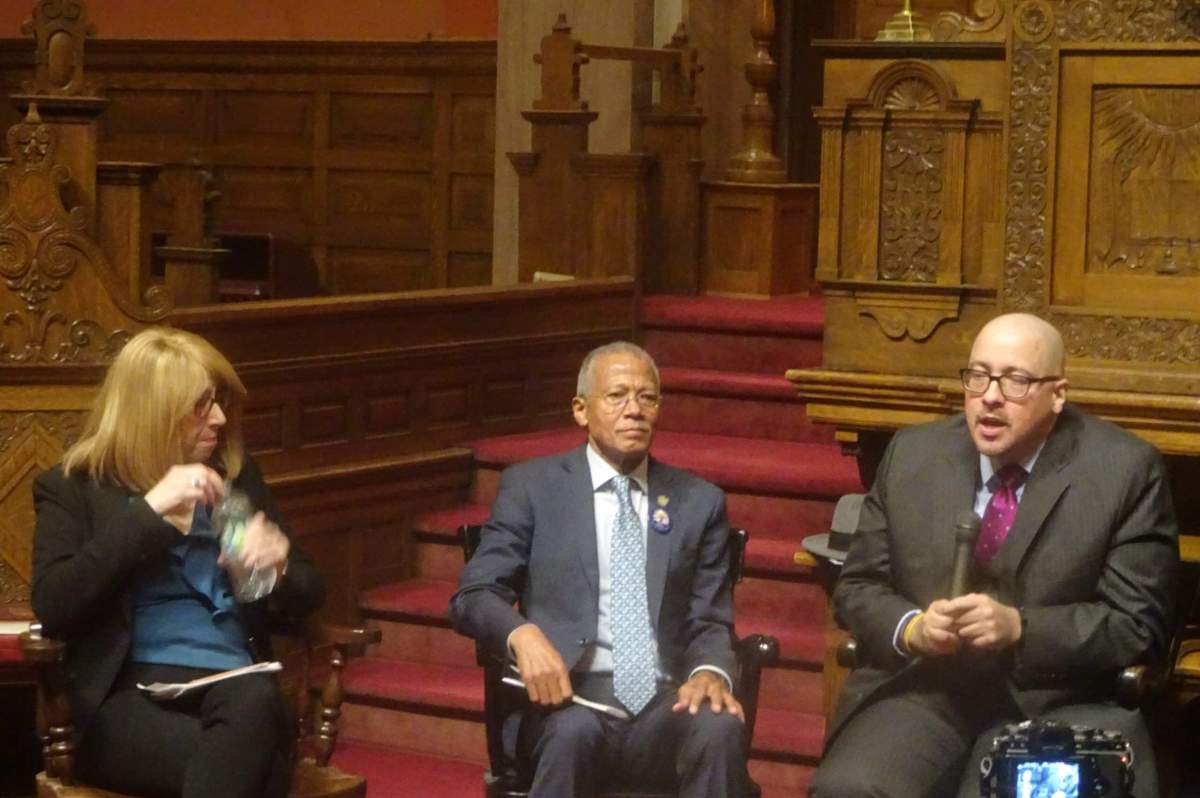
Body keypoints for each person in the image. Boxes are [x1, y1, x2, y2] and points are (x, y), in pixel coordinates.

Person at [810, 313, 1178, 798]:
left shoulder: (1123, 471)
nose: (990, 396)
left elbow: (1137, 627)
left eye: (1016, 381)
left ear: (1058, 393)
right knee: (850, 789)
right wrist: (914, 628)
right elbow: (857, 589)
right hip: (928, 689)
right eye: (978, 375)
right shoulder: (913, 455)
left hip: (1060, 700)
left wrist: (1021, 628)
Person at [32, 327, 325, 798]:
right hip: (126, 699)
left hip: (238, 689)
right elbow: (55, 603)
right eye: (202, 405)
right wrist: (148, 513)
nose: (220, 418)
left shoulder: (232, 479)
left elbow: (311, 592)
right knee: (259, 769)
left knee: (252, 708)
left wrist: (278, 566)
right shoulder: (77, 488)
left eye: (220, 402)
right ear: (153, 414)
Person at [449, 341, 750, 798]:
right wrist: (522, 635)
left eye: (647, 397)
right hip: (566, 699)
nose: (634, 410)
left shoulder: (696, 501)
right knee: (572, 736)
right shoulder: (533, 487)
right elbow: (473, 595)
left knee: (717, 728)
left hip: (662, 701)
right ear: (581, 410)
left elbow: (709, 618)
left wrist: (710, 671)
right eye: (617, 396)